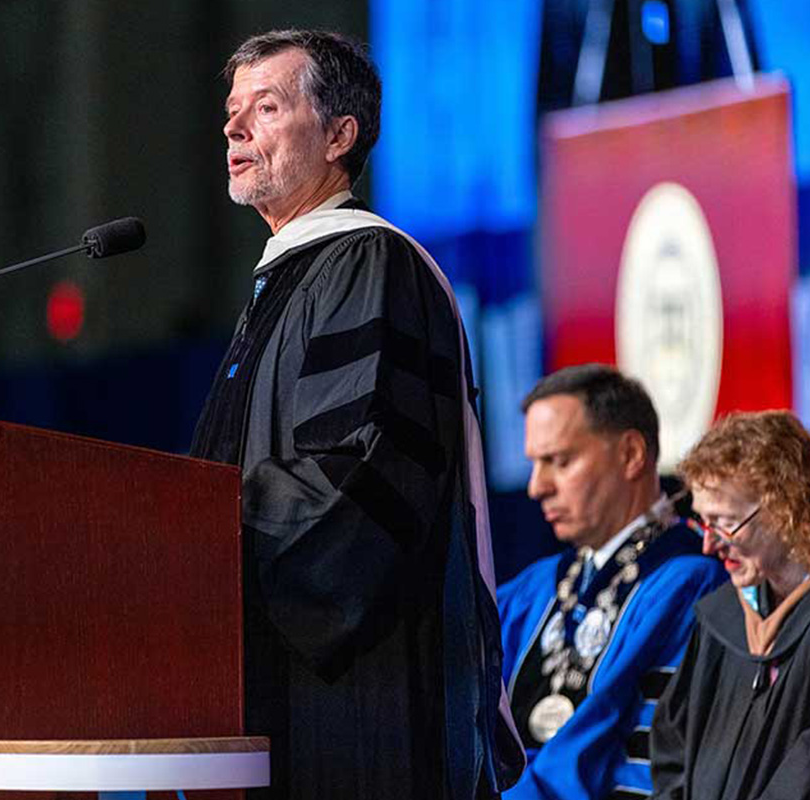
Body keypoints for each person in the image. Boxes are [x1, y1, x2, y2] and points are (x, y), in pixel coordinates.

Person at [189, 29, 523, 800]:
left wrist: (198, 536)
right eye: (232, 111)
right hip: (284, 681)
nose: (234, 128)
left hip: (356, 695)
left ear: (341, 135)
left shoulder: (369, 264)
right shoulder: (283, 284)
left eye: (265, 107)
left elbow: (360, 472)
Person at [497, 364, 724, 799]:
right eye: (534, 463)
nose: (536, 487)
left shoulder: (690, 580)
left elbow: (631, 759)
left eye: (559, 461)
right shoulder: (538, 586)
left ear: (631, 454)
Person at [650, 411, 810, 799]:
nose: (709, 545)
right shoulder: (721, 618)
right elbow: (671, 749)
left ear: (784, 508)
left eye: (725, 523)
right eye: (704, 523)